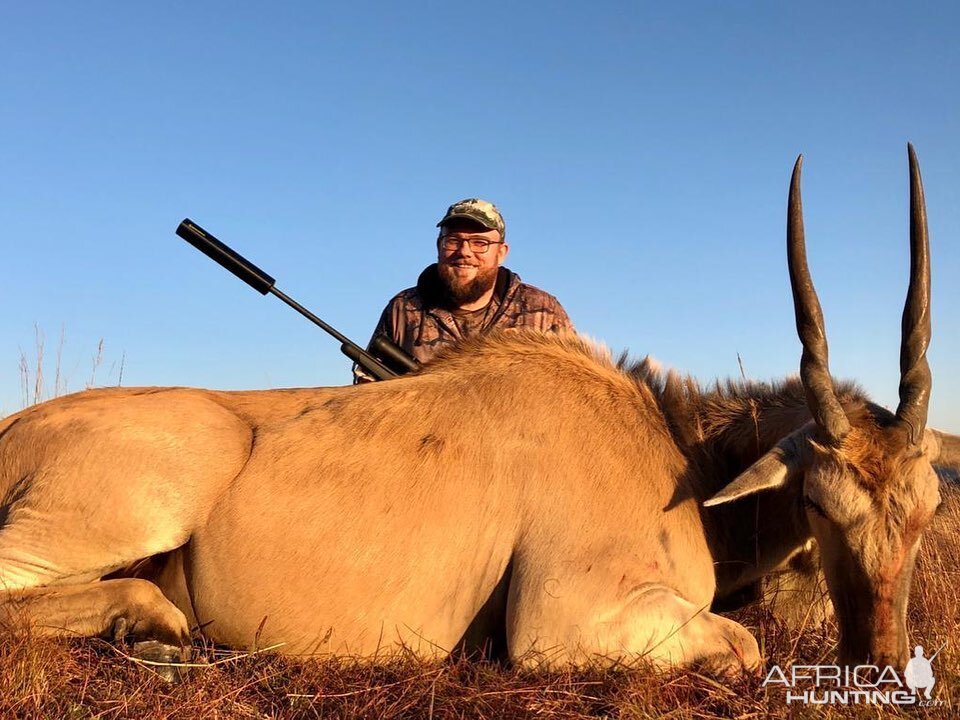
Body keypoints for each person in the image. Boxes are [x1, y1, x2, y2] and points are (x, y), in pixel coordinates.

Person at [356, 198, 572, 381]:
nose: (464, 252)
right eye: (453, 241)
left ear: (501, 252)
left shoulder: (544, 310)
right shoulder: (402, 308)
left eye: (480, 243)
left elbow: (575, 393)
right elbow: (368, 389)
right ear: (439, 246)